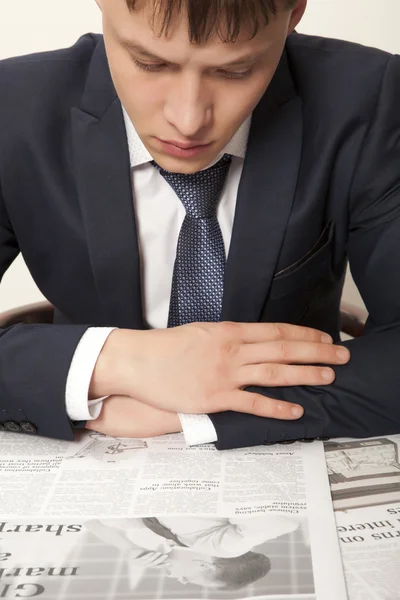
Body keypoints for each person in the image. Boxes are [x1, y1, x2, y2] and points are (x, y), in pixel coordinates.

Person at [0, 0, 399, 450]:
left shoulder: (373, 99)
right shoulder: (11, 107)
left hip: (283, 449)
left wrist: (187, 415)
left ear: (294, 14)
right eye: (150, 63)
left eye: (235, 71)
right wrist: (117, 363)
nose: (188, 122)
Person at [86, 516, 279, 590]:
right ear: (203, 565)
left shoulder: (163, 531)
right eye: (188, 578)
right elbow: (275, 522)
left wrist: (129, 548)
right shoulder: (227, 544)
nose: (180, 580)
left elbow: (91, 518)